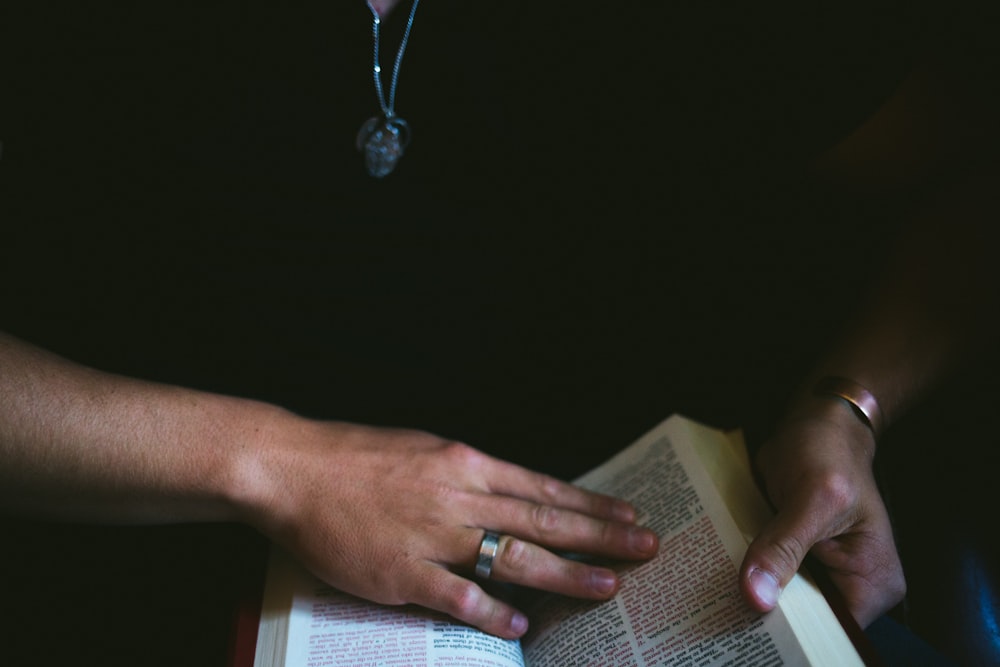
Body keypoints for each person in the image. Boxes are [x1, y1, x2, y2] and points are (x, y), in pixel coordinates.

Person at [1, 0, 996, 664]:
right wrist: (279, 464)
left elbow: (962, 169)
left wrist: (852, 403)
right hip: (162, 547)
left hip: (635, 534)